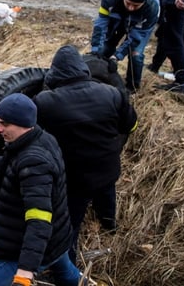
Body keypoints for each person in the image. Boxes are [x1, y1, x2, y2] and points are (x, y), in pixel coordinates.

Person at [0, 93, 84, 286]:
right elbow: (9, 165)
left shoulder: (34, 163)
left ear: (22, 123)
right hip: (57, 237)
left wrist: (25, 271)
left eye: (4, 124)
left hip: (22, 249)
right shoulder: (41, 139)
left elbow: (39, 219)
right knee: (68, 274)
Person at [33, 45, 138, 264]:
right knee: (106, 193)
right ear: (83, 68)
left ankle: (67, 262)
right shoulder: (112, 93)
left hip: (75, 177)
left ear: (55, 72)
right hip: (108, 167)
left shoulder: (44, 102)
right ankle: (110, 224)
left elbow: (32, 134)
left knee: (70, 221)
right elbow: (131, 126)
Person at [90, 0, 159, 94]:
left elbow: (136, 37)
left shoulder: (152, 7)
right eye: (128, 3)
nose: (131, 8)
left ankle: (132, 88)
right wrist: (95, 49)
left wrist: (117, 56)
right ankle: (101, 76)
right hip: (117, 19)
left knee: (136, 54)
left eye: (136, 5)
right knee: (104, 47)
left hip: (139, 27)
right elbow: (101, 24)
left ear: (144, 2)